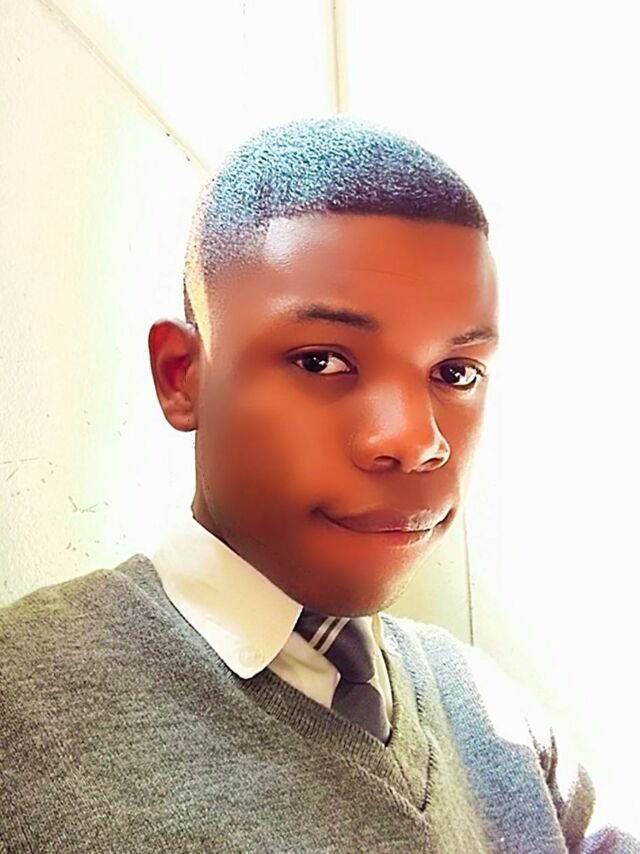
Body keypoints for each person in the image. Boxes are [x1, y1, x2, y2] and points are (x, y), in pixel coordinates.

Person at [1, 116, 637, 853]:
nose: (417, 441)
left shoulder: (499, 716)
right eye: (321, 361)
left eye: (456, 372)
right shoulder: (21, 706)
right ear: (182, 377)